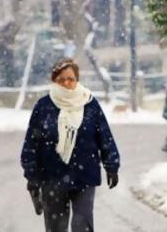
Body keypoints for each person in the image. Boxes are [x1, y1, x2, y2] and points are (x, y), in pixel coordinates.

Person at [21, 58, 120, 232]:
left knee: (82, 224)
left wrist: (111, 165)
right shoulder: (43, 106)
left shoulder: (89, 104)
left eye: (71, 79)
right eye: (61, 80)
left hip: (85, 175)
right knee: (56, 228)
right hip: (51, 177)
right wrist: (32, 177)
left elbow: (104, 136)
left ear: (77, 80)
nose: (66, 83)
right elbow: (31, 144)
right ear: (54, 81)